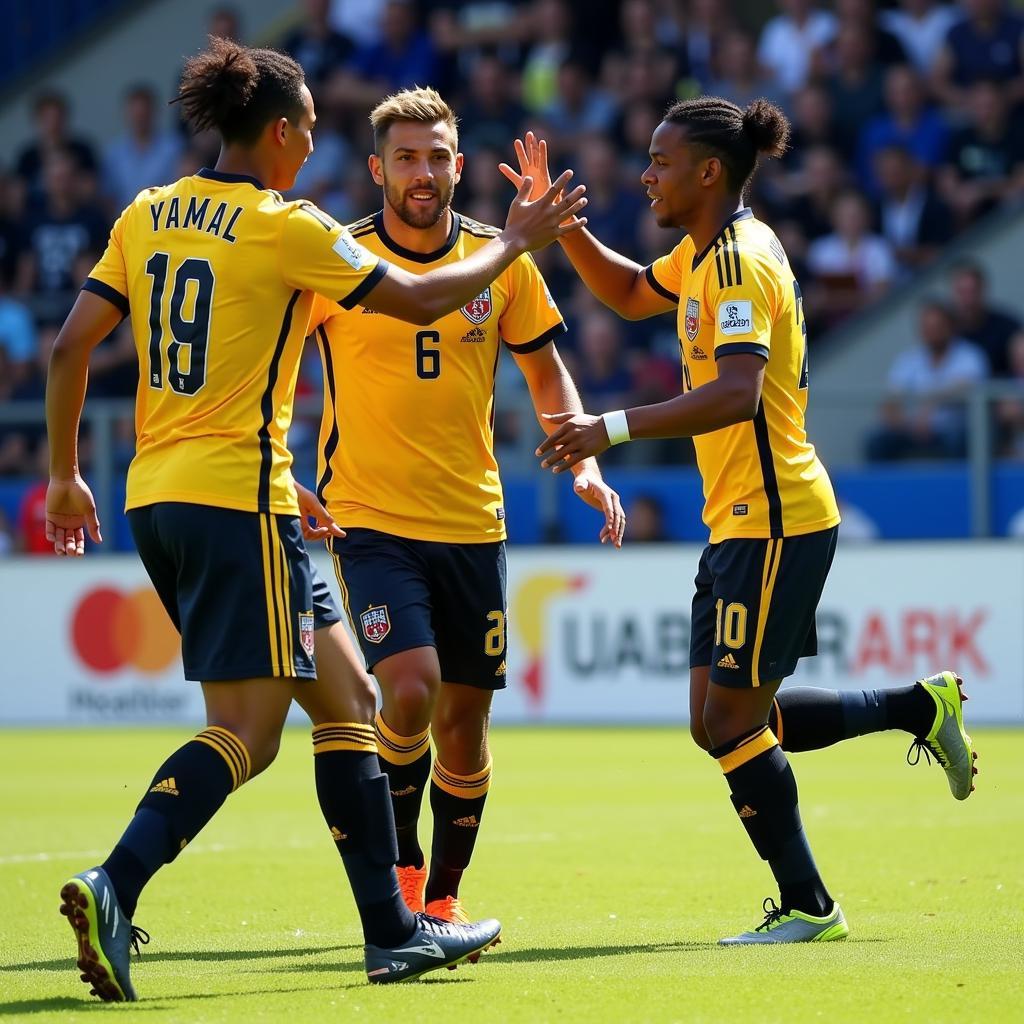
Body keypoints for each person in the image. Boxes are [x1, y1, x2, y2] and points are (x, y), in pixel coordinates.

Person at [45, 37, 586, 1002]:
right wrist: (512, 243)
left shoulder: (149, 212)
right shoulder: (286, 224)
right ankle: (113, 883)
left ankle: (393, 931)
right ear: (288, 132)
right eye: (310, 135)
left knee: (350, 705)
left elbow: (72, 347)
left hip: (156, 495)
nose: (313, 152)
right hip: (236, 499)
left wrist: (61, 477)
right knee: (248, 732)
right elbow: (419, 297)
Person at [501, 101, 977, 945]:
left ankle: (808, 906)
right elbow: (620, 289)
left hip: (778, 519)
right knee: (718, 719)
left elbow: (736, 393)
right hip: (741, 521)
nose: (645, 174)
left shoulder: (740, 262)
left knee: (730, 722)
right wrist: (560, 226)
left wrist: (606, 427)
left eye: (659, 160)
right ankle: (916, 706)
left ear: (708, 172)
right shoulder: (700, 254)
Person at [307, 87, 624, 925]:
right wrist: (276, 466)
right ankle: (403, 883)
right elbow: (263, 363)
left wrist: (582, 459)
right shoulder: (335, 258)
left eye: (438, 155)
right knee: (406, 693)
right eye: (406, 157)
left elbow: (546, 371)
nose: (423, 172)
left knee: (464, 723)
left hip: (473, 523)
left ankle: (443, 901)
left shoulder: (502, 258)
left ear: (457, 165)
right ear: (377, 168)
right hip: (368, 517)